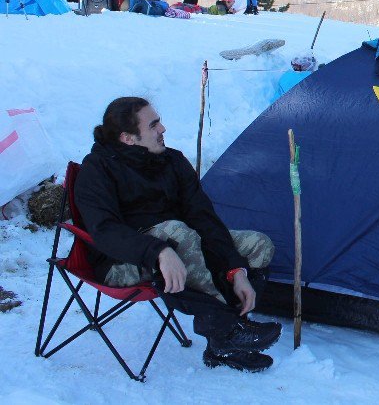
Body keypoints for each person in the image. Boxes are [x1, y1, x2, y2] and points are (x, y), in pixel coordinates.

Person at [74, 97, 282, 372]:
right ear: (128, 138)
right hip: (122, 262)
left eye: (159, 120)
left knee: (258, 245)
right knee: (178, 233)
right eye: (153, 125)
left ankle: (224, 339)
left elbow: (203, 218)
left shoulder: (172, 161)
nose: (163, 128)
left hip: (182, 246)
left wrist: (235, 269)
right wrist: (157, 250)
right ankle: (227, 330)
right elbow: (105, 232)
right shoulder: (97, 170)